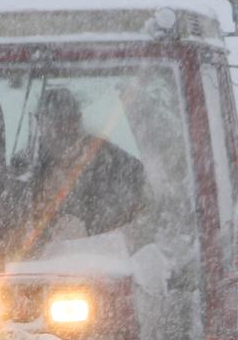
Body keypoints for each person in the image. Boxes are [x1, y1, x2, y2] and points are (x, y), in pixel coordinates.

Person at [13, 88, 150, 256]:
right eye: (47, 121)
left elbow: (138, 223)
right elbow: (12, 223)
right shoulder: (24, 168)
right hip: (34, 270)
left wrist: (87, 231)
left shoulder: (117, 164)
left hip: (96, 267)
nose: (55, 129)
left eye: (64, 120)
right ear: (39, 123)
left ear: (77, 119)